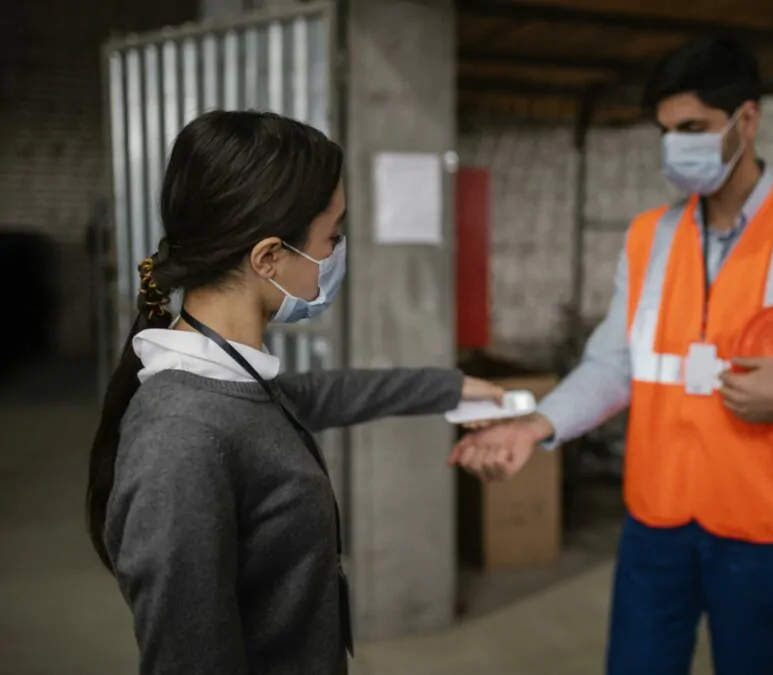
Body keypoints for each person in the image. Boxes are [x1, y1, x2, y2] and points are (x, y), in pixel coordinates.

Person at [450, 38, 773, 675]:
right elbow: (613, 364)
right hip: (658, 527)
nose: (675, 145)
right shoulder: (649, 235)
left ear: (748, 121)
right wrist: (537, 425)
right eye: (666, 131)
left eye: (693, 128)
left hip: (768, 534)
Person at [86, 110, 502, 675]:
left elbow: (325, 394)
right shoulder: (180, 438)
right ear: (268, 258)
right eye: (330, 237)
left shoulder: (232, 381)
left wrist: (451, 388)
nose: (336, 255)